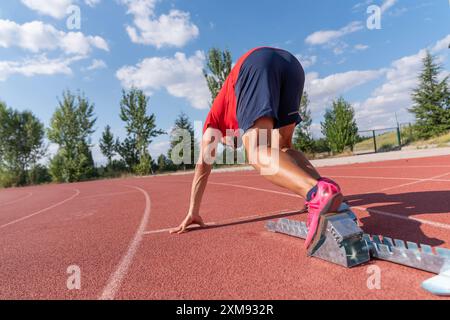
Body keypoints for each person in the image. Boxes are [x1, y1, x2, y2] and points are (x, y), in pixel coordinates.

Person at [170, 47, 343, 254]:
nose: (229, 145)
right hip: (292, 65)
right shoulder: (236, 110)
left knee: (257, 151)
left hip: (255, 64)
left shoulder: (213, 122)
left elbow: (202, 166)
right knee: (285, 147)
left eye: (224, 143)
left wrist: (193, 211)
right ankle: (326, 188)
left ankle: (317, 194)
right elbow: (284, 148)